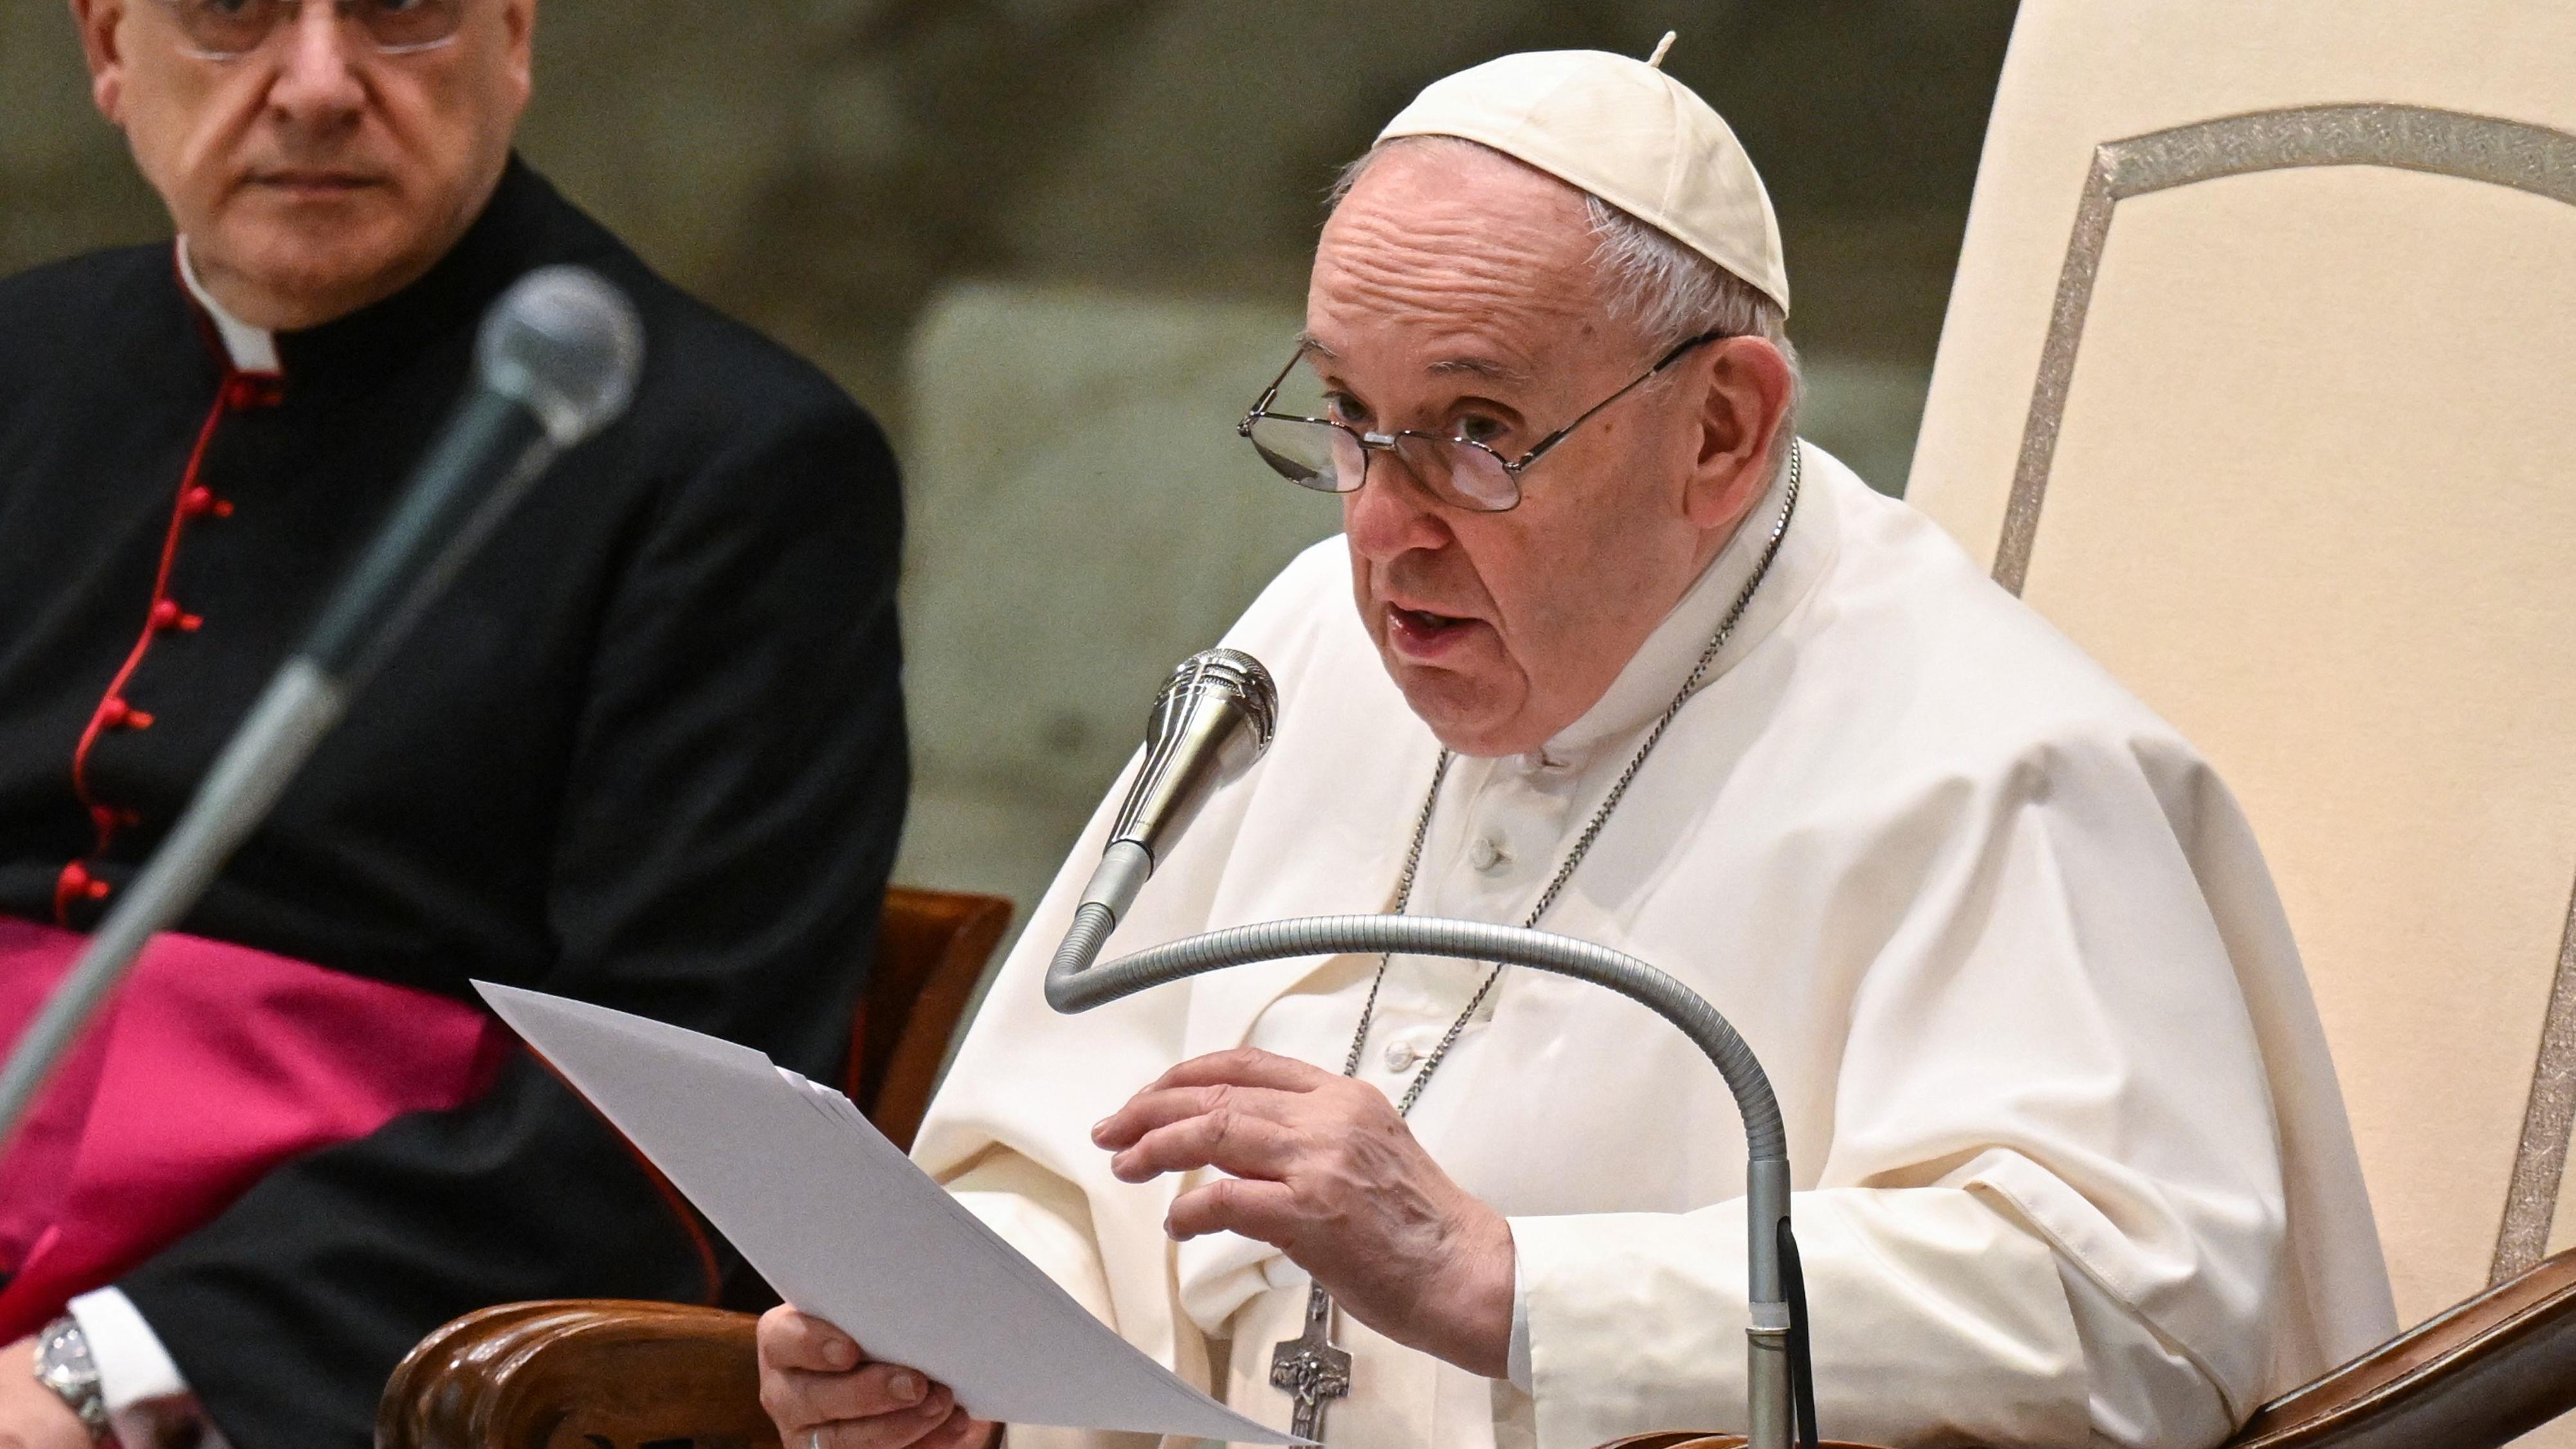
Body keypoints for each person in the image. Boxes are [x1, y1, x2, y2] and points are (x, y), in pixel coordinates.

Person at [754, 42, 2398, 1449]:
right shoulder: (1314, 638)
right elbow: (1075, 1135)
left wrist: (1502, 1280)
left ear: (1721, 429)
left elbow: (2120, 1309)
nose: (1382, 530)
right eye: (1343, 413)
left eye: (1477, 433)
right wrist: (952, 1338)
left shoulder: (1986, 760)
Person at [0, 0, 909, 1444]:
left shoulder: (734, 469)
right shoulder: (23, 360)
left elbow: (672, 1119)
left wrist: (102, 1371)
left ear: (514, 41)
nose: (315, 86)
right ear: (109, 48)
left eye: (400, 13)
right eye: (233, 14)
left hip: (291, 1353)